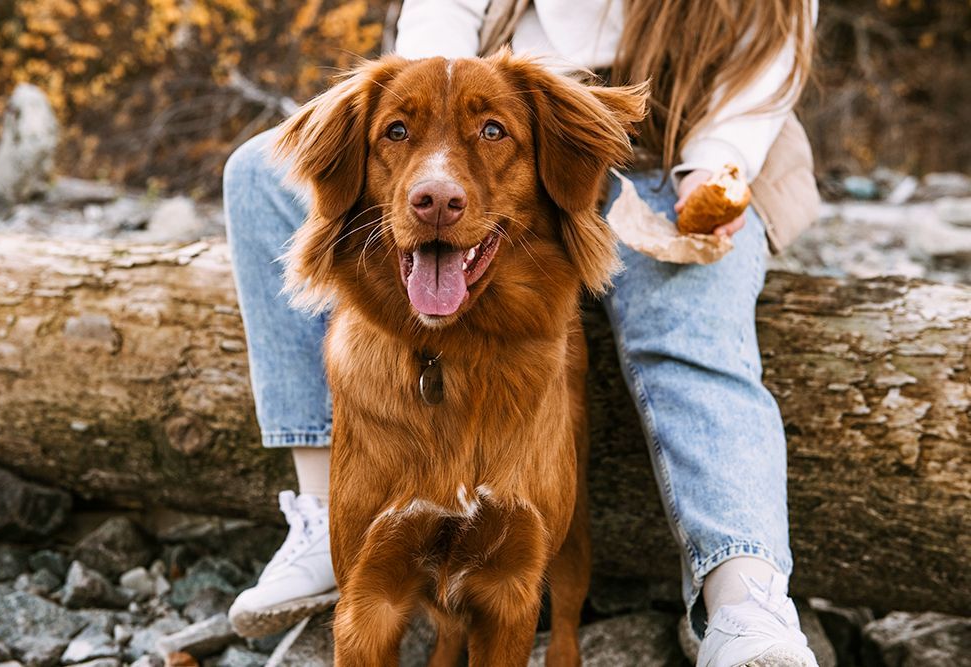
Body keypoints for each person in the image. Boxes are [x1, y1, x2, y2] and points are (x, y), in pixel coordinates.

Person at [222, 1, 821, 664]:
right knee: (254, 171)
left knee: (686, 325)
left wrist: (719, 163)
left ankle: (742, 594)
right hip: (503, 107)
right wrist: (431, 99)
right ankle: (322, 514)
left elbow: (774, 46)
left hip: (694, 142)